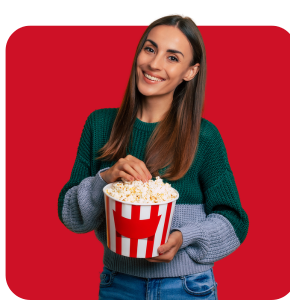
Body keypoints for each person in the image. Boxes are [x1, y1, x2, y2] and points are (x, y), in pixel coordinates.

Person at [58, 14, 249, 300]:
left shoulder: (204, 136)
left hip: (188, 286)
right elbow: (71, 216)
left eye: (173, 58)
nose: (154, 64)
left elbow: (234, 221)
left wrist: (184, 238)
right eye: (150, 49)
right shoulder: (99, 125)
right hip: (118, 284)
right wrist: (105, 178)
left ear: (190, 71)